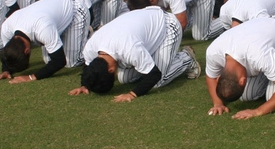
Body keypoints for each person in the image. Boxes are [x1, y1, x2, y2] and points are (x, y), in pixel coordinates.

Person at [68, 7, 199, 102]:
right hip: (144, 25)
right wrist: (85, 85)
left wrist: (132, 94)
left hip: (167, 26)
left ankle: (186, 58)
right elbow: (87, 66)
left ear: (111, 69)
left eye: (112, 76)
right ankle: (155, 59)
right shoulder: (90, 49)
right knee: (125, 78)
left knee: (158, 81)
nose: (115, 76)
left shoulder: (128, 49)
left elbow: (154, 75)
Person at [0, 0, 90, 83]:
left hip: (75, 12)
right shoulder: (6, 28)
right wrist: (6, 70)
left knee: (72, 62)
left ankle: (89, 40)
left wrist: (32, 77)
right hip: (51, 18)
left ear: (27, 51)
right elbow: (8, 53)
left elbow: (59, 61)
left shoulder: (42, 29)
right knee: (48, 60)